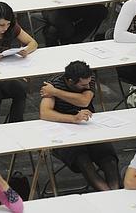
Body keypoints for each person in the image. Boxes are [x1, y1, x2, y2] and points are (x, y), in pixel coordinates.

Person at [39, 61, 120, 191]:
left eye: (88, 83)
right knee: (84, 162)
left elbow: (84, 101)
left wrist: (55, 92)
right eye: (83, 84)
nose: (87, 86)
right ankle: (108, 195)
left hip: (89, 126)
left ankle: (116, 193)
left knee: (109, 158)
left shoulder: (88, 78)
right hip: (63, 130)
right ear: (70, 81)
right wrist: (73, 118)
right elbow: (45, 113)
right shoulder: (53, 83)